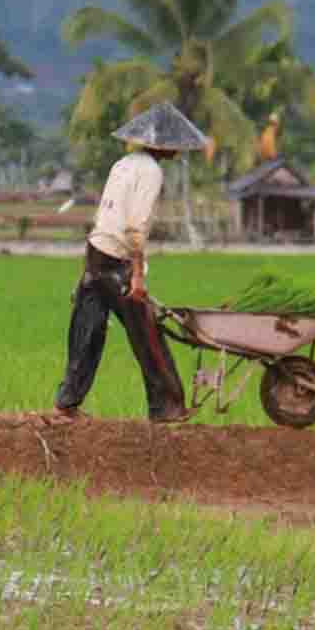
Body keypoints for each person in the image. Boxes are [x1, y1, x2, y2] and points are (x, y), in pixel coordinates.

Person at [54, 102, 208, 423]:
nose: (178, 151)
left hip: (96, 254)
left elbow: (105, 216)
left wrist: (86, 273)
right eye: (174, 146)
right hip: (117, 263)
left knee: (87, 330)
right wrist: (137, 276)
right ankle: (166, 407)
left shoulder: (122, 164)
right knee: (147, 333)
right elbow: (134, 227)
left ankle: (66, 404)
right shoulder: (151, 172)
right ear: (161, 147)